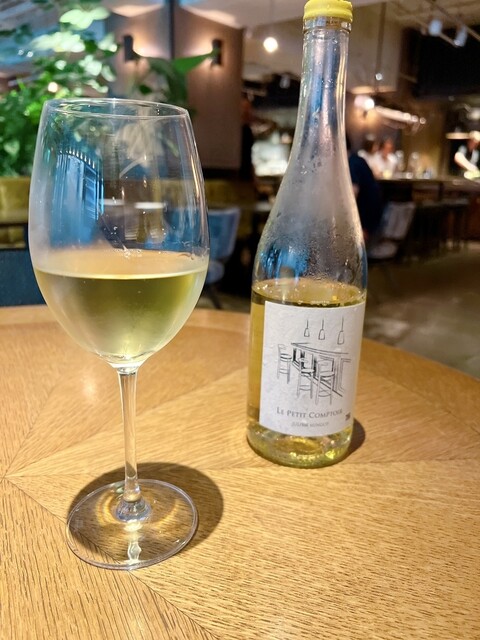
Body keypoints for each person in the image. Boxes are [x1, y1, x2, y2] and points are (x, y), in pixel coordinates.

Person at [346, 135, 383, 242]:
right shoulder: (358, 160)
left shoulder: (351, 163)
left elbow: (352, 196)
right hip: (372, 217)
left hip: (365, 222)